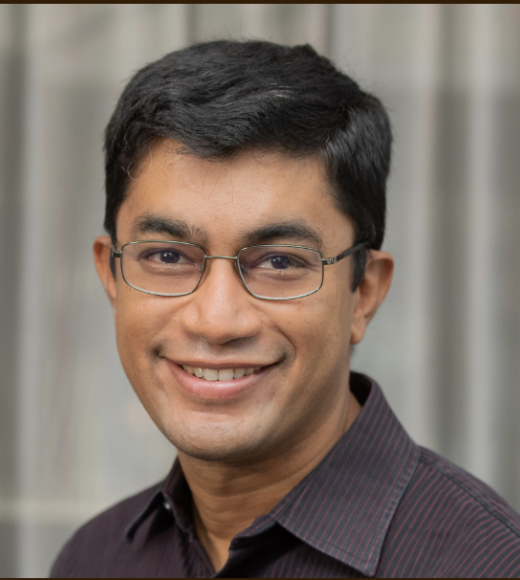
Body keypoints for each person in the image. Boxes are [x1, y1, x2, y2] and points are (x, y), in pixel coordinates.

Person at [51, 40, 520, 578]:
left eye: (277, 262)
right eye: (167, 256)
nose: (216, 320)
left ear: (363, 291)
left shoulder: (490, 564)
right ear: (112, 275)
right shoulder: (95, 559)